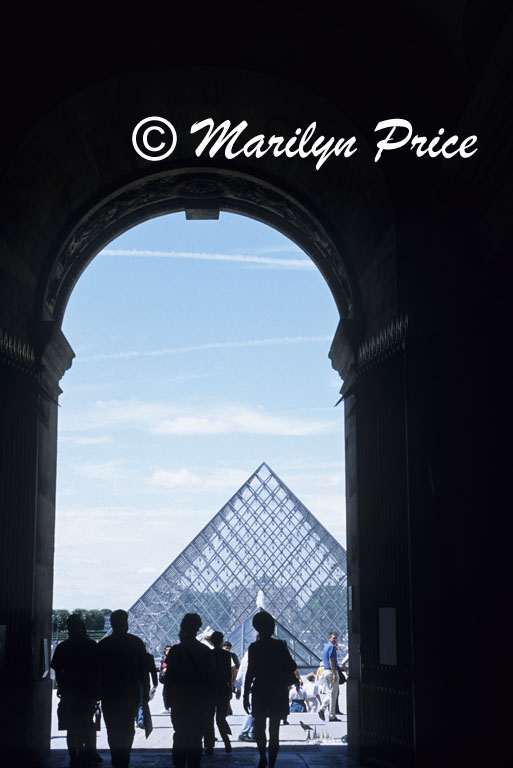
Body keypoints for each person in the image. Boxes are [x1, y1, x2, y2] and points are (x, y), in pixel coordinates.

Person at [243, 611, 299, 768]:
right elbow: (292, 665)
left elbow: (250, 672)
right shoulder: (280, 645)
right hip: (278, 690)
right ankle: (272, 763)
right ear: (270, 626)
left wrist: (245, 694)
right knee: (274, 729)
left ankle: (262, 756)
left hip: (260, 689)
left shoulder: (254, 647)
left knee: (259, 726)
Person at [97, 609, 149, 768]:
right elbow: (143, 671)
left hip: (109, 693)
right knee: (127, 728)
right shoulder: (136, 643)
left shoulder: (104, 644)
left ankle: (116, 758)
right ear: (125, 623)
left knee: (112, 729)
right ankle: (124, 758)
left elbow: (96, 671)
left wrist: (96, 693)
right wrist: (145, 691)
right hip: (130, 692)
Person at [164, 613, 215, 768]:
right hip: (199, 700)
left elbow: (169, 678)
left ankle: (179, 764)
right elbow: (209, 679)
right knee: (195, 737)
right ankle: (194, 764)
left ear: (182, 629)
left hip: (180, 700)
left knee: (180, 735)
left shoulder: (175, 651)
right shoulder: (205, 652)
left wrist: (169, 700)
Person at [50, 614, 100, 768]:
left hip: (69, 691)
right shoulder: (91, 645)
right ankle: (87, 753)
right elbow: (99, 670)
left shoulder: (63, 647)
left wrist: (61, 685)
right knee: (87, 724)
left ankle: (74, 756)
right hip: (87, 691)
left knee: (71, 728)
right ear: (81, 627)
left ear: (68, 628)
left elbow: (56, 668)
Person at [203, 631, 232, 754]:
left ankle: (209, 745)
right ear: (221, 641)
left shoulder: (208, 654)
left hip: (210, 689)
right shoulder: (226, 655)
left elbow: (205, 674)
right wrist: (230, 689)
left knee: (209, 718)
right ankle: (226, 742)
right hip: (222, 689)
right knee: (221, 717)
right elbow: (228, 674)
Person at [318, 631, 340, 722]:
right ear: (329, 638)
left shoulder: (327, 646)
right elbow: (331, 660)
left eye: (336, 638)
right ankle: (332, 715)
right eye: (334, 638)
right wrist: (334, 674)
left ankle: (322, 709)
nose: (335, 640)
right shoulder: (331, 647)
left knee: (330, 693)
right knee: (333, 694)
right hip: (331, 671)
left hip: (325, 671)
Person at [234, 647, 254, 742]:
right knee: (253, 712)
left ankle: (251, 733)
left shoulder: (247, 655)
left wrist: (238, 687)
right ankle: (244, 733)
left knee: (255, 711)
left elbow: (241, 671)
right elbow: (242, 671)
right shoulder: (251, 655)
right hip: (253, 686)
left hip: (250, 686)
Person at [159, 645, 171, 712]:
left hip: (172, 679)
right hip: (166, 679)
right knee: (164, 693)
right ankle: (166, 707)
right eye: (167, 649)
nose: (168, 651)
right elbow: (161, 668)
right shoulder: (163, 660)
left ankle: (170, 707)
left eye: (170, 649)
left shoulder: (175, 659)